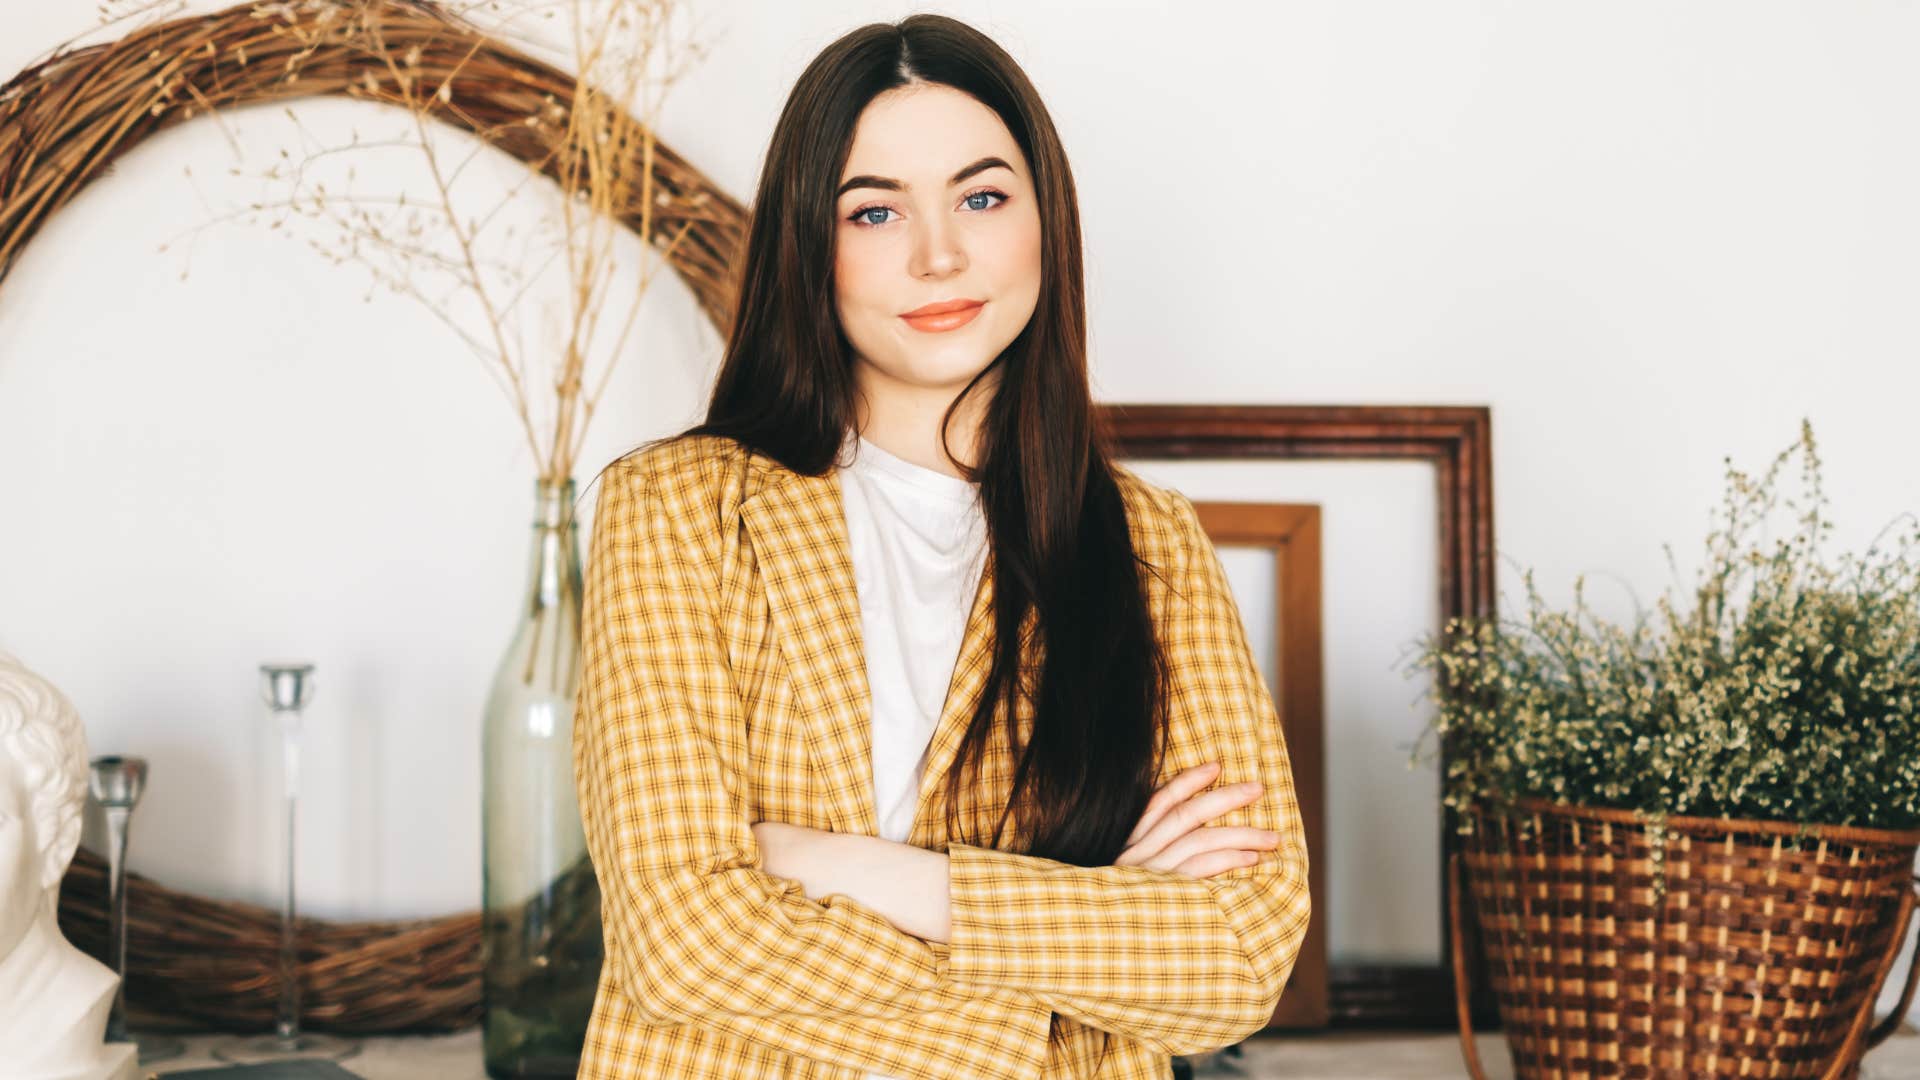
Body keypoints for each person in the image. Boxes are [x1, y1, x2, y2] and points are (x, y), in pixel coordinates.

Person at [571, 13, 1310, 1079]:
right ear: (806, 246)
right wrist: (1082, 967)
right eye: (875, 211)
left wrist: (861, 873)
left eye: (982, 195)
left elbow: (1239, 960)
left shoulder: (1151, 541)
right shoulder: (677, 509)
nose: (940, 254)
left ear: (1044, 219)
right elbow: (682, 946)